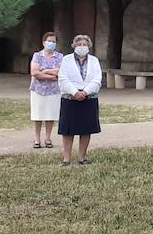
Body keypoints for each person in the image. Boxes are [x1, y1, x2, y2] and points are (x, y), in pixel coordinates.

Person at [58, 34, 102, 166]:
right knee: (68, 129)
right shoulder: (66, 60)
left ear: (89, 46)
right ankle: (66, 159)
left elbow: (97, 79)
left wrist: (85, 92)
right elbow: (63, 78)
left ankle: (82, 158)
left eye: (84, 44)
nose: (81, 47)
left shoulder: (94, 61)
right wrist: (75, 92)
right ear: (74, 46)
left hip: (89, 98)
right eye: (79, 44)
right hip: (70, 98)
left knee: (86, 129)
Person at [29, 31, 63, 149]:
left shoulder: (59, 56)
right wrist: (52, 75)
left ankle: (48, 138)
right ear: (43, 42)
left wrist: (44, 71)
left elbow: (61, 72)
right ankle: (37, 139)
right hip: (38, 90)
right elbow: (35, 73)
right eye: (49, 41)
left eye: (53, 42)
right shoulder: (37, 56)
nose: (51, 44)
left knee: (50, 115)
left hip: (54, 91)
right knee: (38, 115)